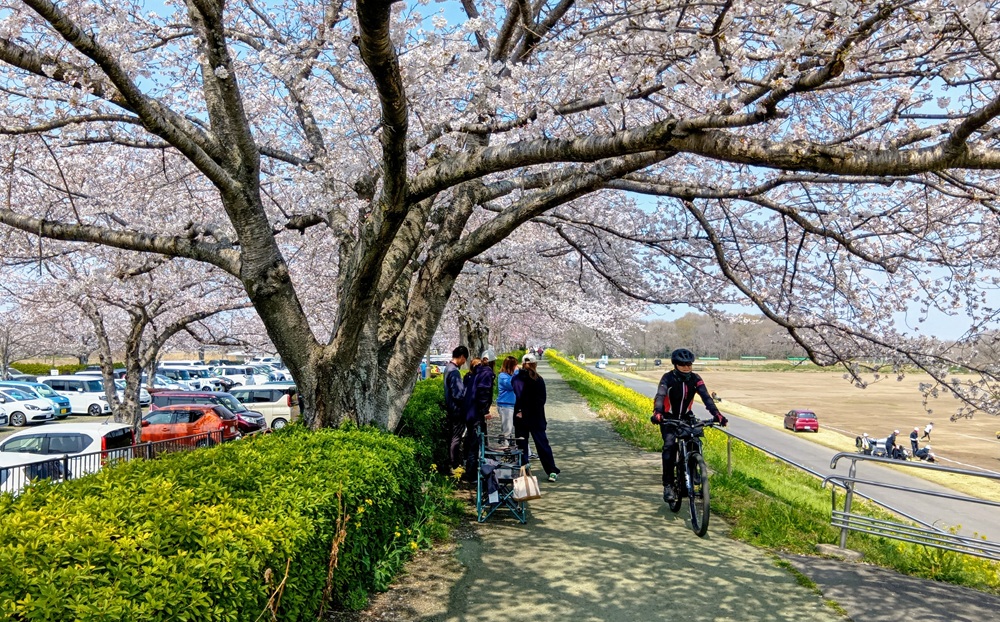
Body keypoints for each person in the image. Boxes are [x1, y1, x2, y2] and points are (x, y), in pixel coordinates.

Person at [650, 348, 728, 504]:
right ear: (675, 364)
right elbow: (660, 395)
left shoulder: (695, 378)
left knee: (694, 439)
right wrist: (657, 412)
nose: (686, 367)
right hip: (668, 418)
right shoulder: (667, 378)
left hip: (686, 417)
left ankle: (693, 469)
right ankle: (669, 485)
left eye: (689, 364)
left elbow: (706, 397)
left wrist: (717, 414)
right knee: (669, 447)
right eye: (682, 364)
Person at [513, 352, 560, 482]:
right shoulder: (538, 380)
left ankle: (524, 471)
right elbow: (541, 401)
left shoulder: (517, 379)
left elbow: (518, 394)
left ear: (522, 364)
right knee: (542, 445)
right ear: (535, 364)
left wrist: (523, 411)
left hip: (520, 417)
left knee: (521, 445)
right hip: (536, 417)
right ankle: (551, 471)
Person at [463, 350, 496, 472]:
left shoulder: (477, 372)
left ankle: (475, 468)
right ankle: (472, 473)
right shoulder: (486, 373)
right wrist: (485, 411)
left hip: (470, 411)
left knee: (474, 440)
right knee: (475, 442)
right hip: (476, 413)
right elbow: (483, 393)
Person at [444, 346, 469, 472]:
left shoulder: (448, 368)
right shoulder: (454, 371)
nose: (464, 362)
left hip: (451, 408)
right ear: (462, 357)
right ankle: (454, 465)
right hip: (457, 409)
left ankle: (453, 463)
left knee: (453, 436)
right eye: (465, 359)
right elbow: (458, 394)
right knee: (456, 437)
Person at [496, 356, 519, 448]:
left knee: (510, 427)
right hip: (505, 405)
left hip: (512, 404)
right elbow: (512, 385)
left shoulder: (510, 376)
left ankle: (508, 445)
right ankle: (505, 447)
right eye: (515, 365)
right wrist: (517, 373)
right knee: (507, 428)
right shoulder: (503, 376)